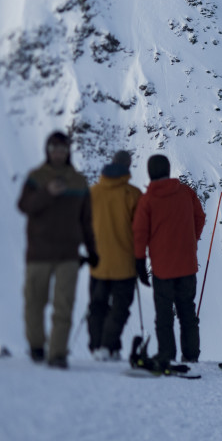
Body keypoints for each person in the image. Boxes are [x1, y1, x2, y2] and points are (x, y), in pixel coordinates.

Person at [16, 130, 97, 369]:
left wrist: (93, 251)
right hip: (38, 254)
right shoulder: (36, 177)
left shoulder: (79, 181)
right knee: (34, 302)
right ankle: (37, 346)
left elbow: (86, 220)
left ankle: (58, 353)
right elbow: (24, 206)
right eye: (54, 149)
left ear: (68, 152)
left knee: (64, 304)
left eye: (63, 149)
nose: (59, 154)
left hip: (68, 254)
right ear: (48, 151)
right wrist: (47, 193)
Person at [132, 153, 206, 369]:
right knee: (187, 312)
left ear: (150, 172)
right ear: (167, 169)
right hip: (187, 263)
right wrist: (193, 239)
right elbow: (199, 218)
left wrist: (139, 261)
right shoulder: (185, 192)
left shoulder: (147, 200)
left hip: (162, 268)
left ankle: (167, 354)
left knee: (164, 314)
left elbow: (139, 233)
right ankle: (191, 355)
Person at [87, 150, 144, 361]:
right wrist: (140, 259)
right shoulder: (133, 194)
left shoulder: (93, 193)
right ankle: (108, 346)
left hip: (98, 263)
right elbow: (139, 231)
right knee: (119, 308)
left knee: (97, 305)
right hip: (124, 263)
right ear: (128, 166)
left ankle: (96, 346)